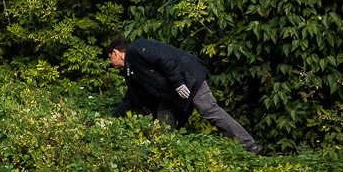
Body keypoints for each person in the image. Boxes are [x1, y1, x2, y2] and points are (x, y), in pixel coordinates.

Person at [106, 36, 261, 154]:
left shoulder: (137, 48)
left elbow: (164, 60)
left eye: (110, 58)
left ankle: (249, 146)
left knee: (209, 110)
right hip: (173, 90)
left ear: (115, 52)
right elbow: (131, 97)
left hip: (188, 78)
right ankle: (168, 153)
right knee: (164, 115)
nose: (111, 63)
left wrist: (179, 83)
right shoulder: (131, 70)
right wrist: (113, 120)